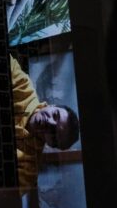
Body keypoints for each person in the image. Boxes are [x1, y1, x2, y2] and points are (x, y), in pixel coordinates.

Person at [9, 56, 80, 191]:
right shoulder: (23, 87)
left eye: (53, 133)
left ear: (51, 144)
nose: (49, 122)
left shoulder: (28, 170)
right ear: (52, 105)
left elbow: (1, 197)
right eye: (55, 115)